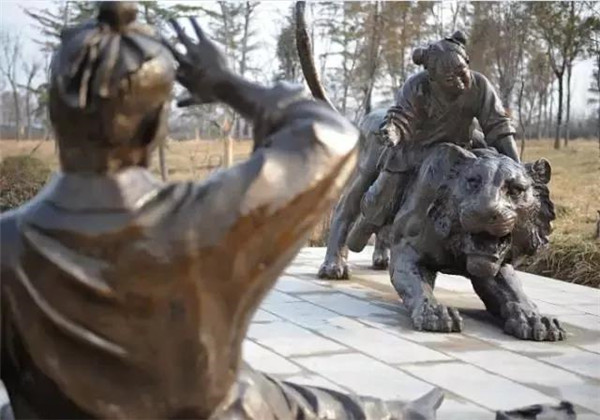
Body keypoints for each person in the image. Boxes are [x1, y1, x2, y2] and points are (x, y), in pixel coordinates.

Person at [0, 3, 442, 419]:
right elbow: (329, 137)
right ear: (155, 127)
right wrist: (227, 83)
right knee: (283, 403)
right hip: (209, 410)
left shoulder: (7, 244)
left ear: (55, 117)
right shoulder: (205, 219)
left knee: (291, 397)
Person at [347, 31, 520, 251]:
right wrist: (393, 131)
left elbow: (498, 127)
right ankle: (366, 224)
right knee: (383, 193)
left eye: (462, 73)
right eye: (449, 80)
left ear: (467, 63)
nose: (460, 83)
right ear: (433, 78)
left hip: (458, 149)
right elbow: (400, 118)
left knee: (485, 173)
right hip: (415, 150)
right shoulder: (416, 86)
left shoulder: (480, 85)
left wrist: (517, 166)